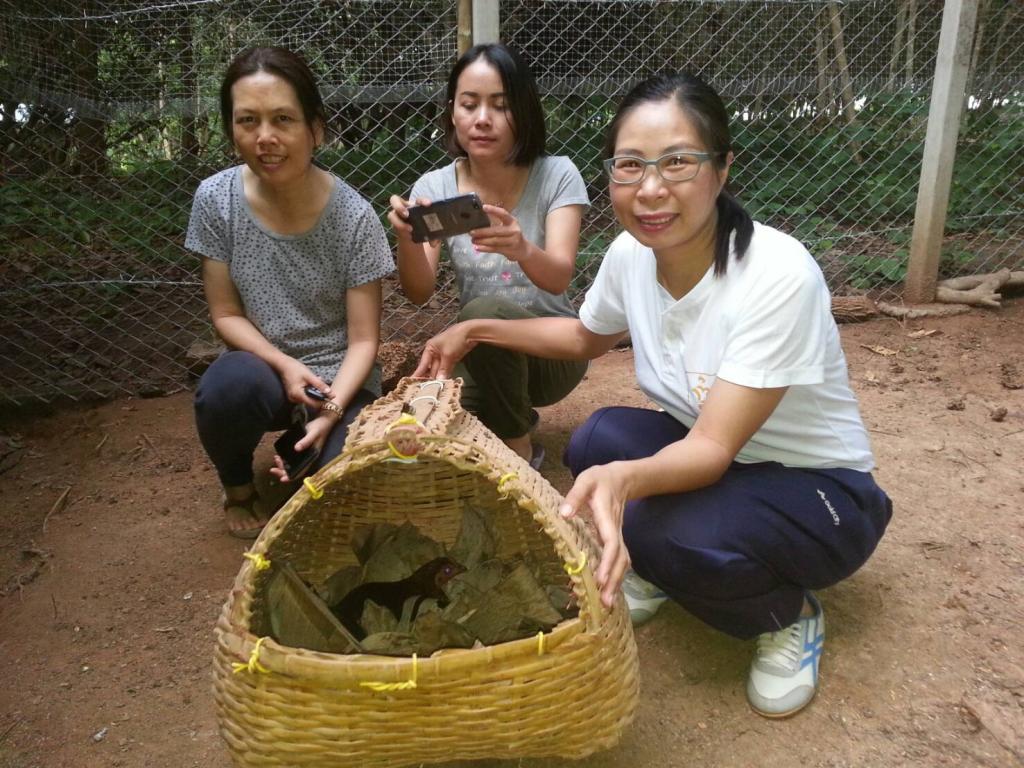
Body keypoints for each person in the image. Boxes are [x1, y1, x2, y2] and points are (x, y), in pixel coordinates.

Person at [412, 72, 892, 718]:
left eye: (678, 162)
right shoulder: (631, 255)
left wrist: (624, 483)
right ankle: (667, 565)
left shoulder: (777, 276)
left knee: (663, 527)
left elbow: (712, 449)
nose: (651, 188)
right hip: (730, 463)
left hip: (823, 492)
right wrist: (473, 330)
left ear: (722, 169)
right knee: (595, 442)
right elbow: (583, 336)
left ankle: (786, 614)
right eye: (631, 165)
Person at [186, 47, 394, 538]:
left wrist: (331, 411)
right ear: (231, 130)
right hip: (263, 370)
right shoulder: (215, 200)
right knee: (225, 389)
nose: (265, 137)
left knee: (350, 494)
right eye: (248, 120)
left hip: (340, 381)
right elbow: (225, 313)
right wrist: (283, 365)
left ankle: (319, 446)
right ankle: (239, 489)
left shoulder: (355, 217)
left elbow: (364, 341)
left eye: (283, 119)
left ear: (315, 130)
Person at [387, 43, 589, 470]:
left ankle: (519, 448)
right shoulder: (437, 187)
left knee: (484, 310)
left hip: (553, 352)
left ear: (524, 111)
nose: (482, 119)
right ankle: (510, 414)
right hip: (481, 350)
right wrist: (407, 238)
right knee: (424, 428)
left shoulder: (557, 174)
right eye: (469, 104)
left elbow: (558, 278)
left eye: (501, 105)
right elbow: (419, 291)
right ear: (452, 113)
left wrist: (522, 249)